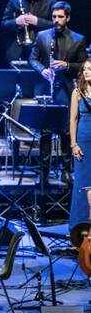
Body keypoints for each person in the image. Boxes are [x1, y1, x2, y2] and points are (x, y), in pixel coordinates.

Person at [29, 1, 87, 184]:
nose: (56, 20)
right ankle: (43, 172)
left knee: (65, 132)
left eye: (60, 17)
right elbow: (33, 58)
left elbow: (84, 66)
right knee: (45, 131)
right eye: (54, 17)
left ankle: (65, 170)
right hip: (46, 88)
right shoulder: (41, 36)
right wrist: (42, 70)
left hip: (66, 90)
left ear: (67, 18)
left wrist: (67, 65)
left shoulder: (78, 39)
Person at [1, 0, 56, 64]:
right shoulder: (14, 0)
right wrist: (16, 21)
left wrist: (38, 21)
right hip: (16, 50)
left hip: (41, 50)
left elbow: (57, 27)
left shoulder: (51, 3)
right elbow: (3, 25)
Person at [69, 59, 91, 228]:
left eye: (89, 69)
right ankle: (79, 226)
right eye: (84, 69)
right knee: (82, 183)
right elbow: (73, 120)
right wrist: (73, 144)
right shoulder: (77, 92)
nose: (86, 72)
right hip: (83, 140)